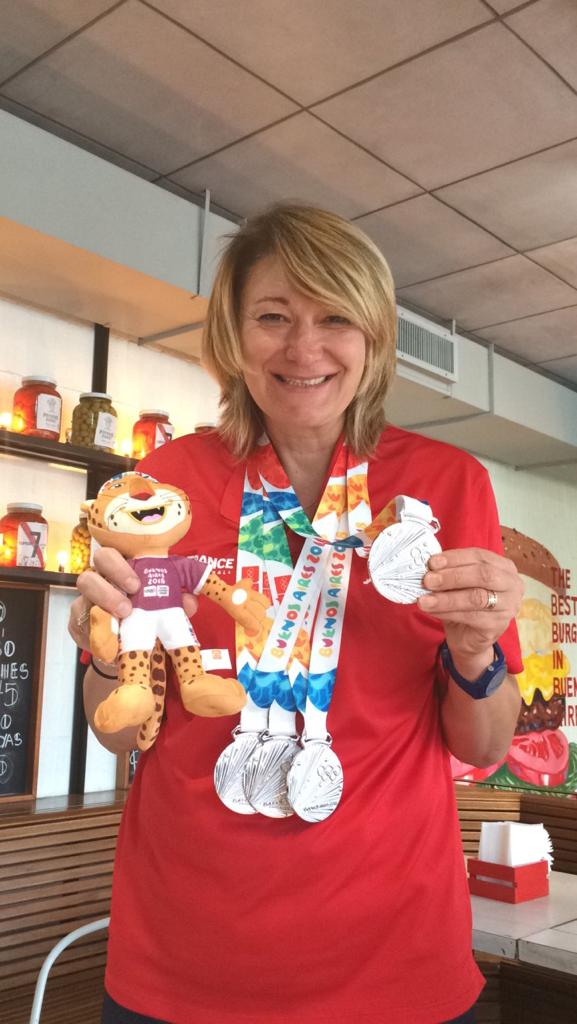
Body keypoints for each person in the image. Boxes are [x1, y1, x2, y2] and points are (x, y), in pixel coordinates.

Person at [69, 204, 524, 1024]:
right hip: (184, 956)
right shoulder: (164, 485)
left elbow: (484, 746)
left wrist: (474, 652)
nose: (303, 348)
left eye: (334, 318)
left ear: (373, 337)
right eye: (273, 317)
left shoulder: (447, 487)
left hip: (395, 958)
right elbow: (118, 732)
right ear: (233, 336)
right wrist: (106, 649)